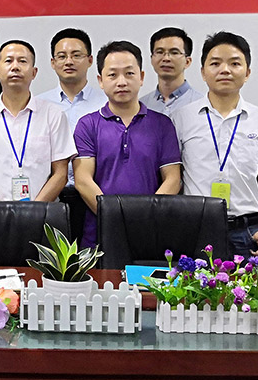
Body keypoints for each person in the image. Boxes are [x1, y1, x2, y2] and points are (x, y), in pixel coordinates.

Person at [171, 32, 258, 258]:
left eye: (234, 63)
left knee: (248, 283)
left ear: (247, 73)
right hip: (196, 226)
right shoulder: (181, 118)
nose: (225, 70)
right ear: (203, 72)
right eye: (215, 63)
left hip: (247, 231)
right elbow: (172, 176)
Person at [73, 41, 181, 248]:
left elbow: (173, 179)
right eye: (112, 75)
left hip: (150, 231)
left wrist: (145, 218)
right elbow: (83, 180)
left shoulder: (162, 124)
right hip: (100, 233)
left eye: (129, 74)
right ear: (101, 80)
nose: (121, 82)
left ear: (141, 77)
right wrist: (115, 218)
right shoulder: (88, 125)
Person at [0, 40, 75, 202]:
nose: (15, 67)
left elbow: (60, 173)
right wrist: (2, 209)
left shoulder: (54, 115)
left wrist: (35, 209)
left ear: (34, 72)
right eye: (8, 61)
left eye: (22, 61)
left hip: (43, 211)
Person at [36, 28, 107, 241]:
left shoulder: (106, 102)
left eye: (76, 55)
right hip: (51, 196)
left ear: (90, 60)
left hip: (93, 195)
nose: (69, 61)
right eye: (62, 56)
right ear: (52, 62)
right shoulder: (39, 105)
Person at [143, 27, 204, 115]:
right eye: (160, 52)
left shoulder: (201, 105)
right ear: (152, 59)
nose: (166, 58)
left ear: (187, 61)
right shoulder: (142, 106)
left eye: (174, 52)